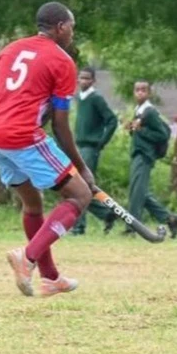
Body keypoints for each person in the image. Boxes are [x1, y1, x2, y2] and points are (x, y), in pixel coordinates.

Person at [0, 1, 93, 297]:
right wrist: (82, 167)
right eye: (72, 28)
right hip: (21, 135)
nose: (72, 34)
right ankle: (28, 257)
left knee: (33, 205)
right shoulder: (62, 61)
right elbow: (60, 125)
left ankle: (51, 279)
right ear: (61, 27)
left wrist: (4, 113)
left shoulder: (10, 49)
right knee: (79, 195)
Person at [111, 81, 177, 238]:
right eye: (137, 90)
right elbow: (139, 132)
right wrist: (132, 129)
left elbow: (162, 135)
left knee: (137, 193)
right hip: (138, 154)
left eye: (143, 90)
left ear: (149, 93)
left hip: (144, 156)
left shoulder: (150, 112)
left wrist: (140, 130)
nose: (140, 93)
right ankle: (171, 219)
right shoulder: (139, 111)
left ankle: (132, 229)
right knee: (139, 191)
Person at [71, 66, 119, 235]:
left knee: (80, 186)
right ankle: (106, 214)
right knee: (80, 188)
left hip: (90, 148)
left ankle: (79, 227)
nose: (83, 81)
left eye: (86, 78)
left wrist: (101, 142)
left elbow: (112, 120)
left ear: (93, 81)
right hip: (79, 146)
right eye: (81, 78)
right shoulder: (80, 98)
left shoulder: (96, 98)